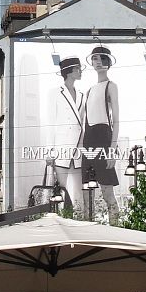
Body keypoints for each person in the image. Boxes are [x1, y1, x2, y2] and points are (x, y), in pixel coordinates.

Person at [81, 46, 120, 222]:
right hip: (88, 138)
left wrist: (112, 150)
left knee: (107, 191)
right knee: (87, 192)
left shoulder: (111, 86)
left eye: (101, 59)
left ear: (107, 62)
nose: (98, 63)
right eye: (95, 59)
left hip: (104, 136)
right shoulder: (89, 90)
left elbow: (116, 119)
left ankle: (115, 226)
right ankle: (88, 227)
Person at [50, 56, 86, 211]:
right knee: (60, 190)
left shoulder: (82, 95)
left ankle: (80, 221)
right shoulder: (55, 93)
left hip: (78, 148)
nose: (80, 71)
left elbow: (83, 122)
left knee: (78, 193)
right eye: (77, 68)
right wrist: (50, 151)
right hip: (61, 148)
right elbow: (50, 122)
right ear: (70, 71)